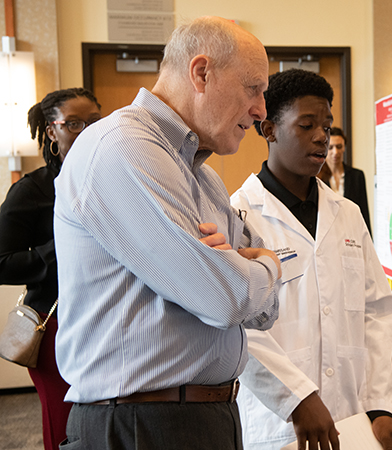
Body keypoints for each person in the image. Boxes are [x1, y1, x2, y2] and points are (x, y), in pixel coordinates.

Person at [53, 17, 282, 449]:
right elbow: (227, 299)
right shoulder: (123, 148)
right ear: (202, 73)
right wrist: (267, 264)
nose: (261, 110)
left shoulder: (204, 178)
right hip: (141, 424)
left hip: (201, 418)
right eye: (253, 88)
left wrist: (237, 272)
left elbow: (264, 313)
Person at [231, 69, 392, 450]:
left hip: (351, 419)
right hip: (277, 426)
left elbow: (376, 312)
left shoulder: (347, 214)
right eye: (306, 125)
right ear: (269, 130)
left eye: (326, 127)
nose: (321, 137)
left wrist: (379, 409)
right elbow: (239, 327)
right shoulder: (240, 216)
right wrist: (296, 397)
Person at [0, 88, 101, 450]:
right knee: (64, 430)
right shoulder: (33, 190)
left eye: (94, 122)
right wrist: (63, 248)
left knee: (100, 429)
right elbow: (2, 263)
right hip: (54, 326)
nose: (86, 131)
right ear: (51, 131)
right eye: (73, 123)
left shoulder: (109, 179)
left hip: (103, 323)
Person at [317, 127, 371, 234]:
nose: (335, 152)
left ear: (344, 148)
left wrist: (368, 238)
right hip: (327, 234)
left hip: (352, 232)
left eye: (339, 146)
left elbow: (363, 212)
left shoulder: (357, 176)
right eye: (330, 147)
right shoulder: (316, 177)